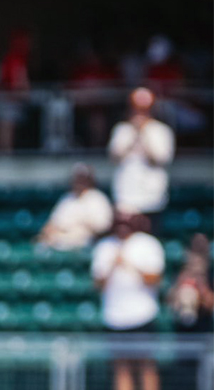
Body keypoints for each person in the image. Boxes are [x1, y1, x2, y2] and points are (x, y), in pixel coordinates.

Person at [91, 212, 164, 390]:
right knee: (121, 367)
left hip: (142, 315)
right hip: (115, 317)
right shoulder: (105, 246)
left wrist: (130, 264)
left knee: (145, 365)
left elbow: (154, 279)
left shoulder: (147, 243)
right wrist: (113, 265)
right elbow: (98, 283)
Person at [108, 87, 175, 225]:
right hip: (125, 198)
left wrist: (143, 133)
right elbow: (114, 157)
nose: (140, 112)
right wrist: (133, 134)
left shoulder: (161, 131)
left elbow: (160, 159)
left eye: (144, 108)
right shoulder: (122, 130)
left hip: (152, 199)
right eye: (136, 107)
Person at [37, 163, 113, 251]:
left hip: (86, 244)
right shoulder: (67, 198)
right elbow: (52, 224)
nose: (79, 182)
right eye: (77, 178)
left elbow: (103, 227)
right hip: (60, 242)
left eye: (82, 178)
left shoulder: (98, 198)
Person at [167, 233, 213, 333]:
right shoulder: (180, 274)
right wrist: (181, 283)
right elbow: (169, 301)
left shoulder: (210, 274)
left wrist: (201, 288)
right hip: (180, 331)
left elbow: (210, 304)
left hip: (204, 329)